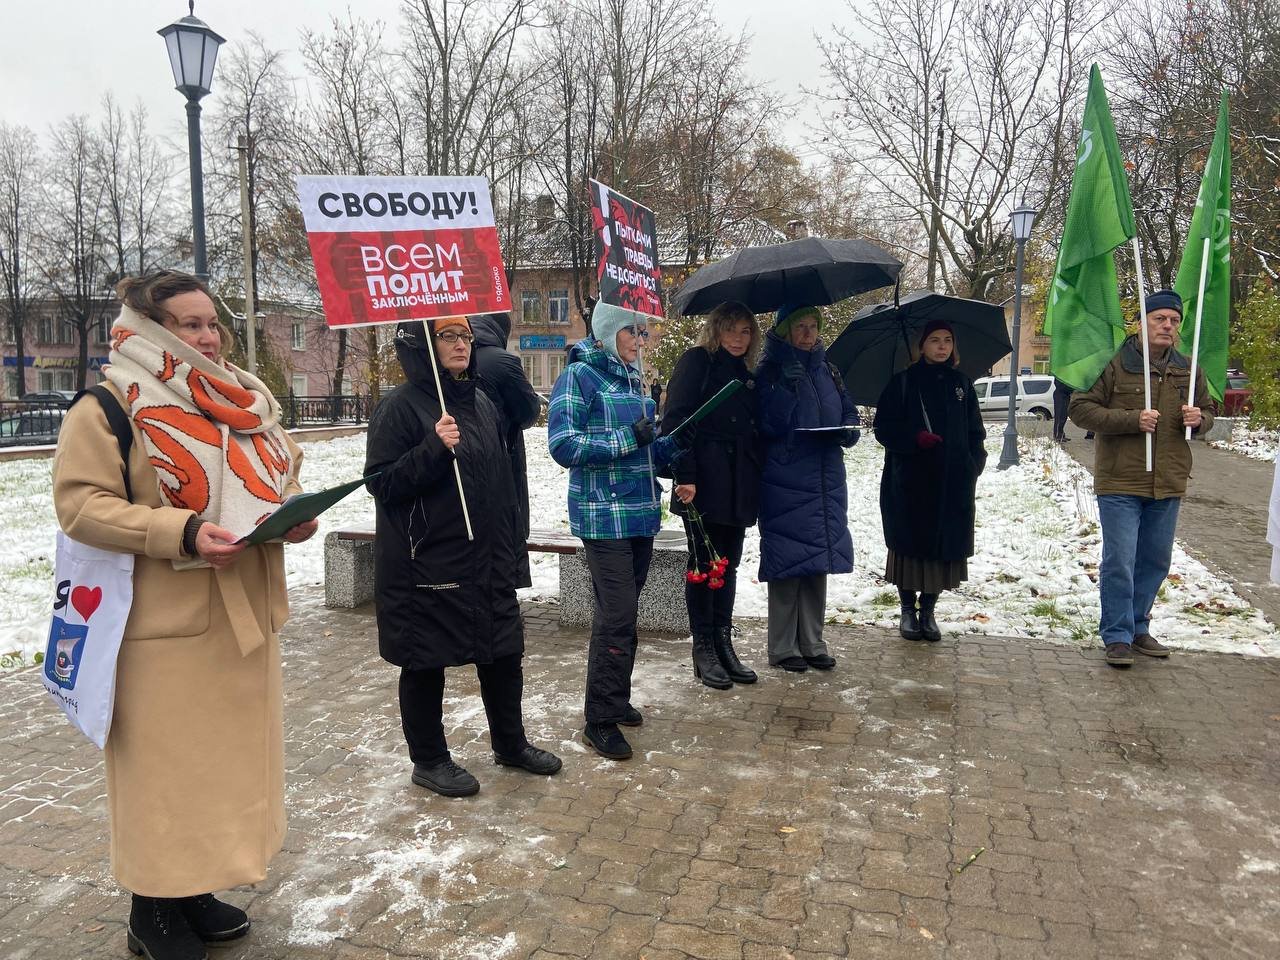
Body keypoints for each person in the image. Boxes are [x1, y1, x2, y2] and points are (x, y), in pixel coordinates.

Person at [52, 270, 317, 960]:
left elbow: (274, 478)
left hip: (244, 620)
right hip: (160, 631)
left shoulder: (241, 402)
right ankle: (152, 910)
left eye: (211, 323)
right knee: (163, 776)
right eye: (188, 324)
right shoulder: (110, 406)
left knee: (218, 772)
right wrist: (182, 530)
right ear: (146, 329)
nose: (206, 336)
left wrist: (291, 516)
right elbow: (80, 506)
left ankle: (194, 887)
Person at [365, 317, 561, 797]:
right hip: (426, 562)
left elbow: (500, 478)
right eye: (448, 336)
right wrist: (433, 448)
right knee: (425, 660)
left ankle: (510, 744)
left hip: (487, 556)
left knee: (503, 652)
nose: (461, 344)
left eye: (466, 336)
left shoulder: (483, 404)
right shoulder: (399, 408)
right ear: (423, 345)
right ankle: (429, 759)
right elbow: (382, 484)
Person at [548, 301, 683, 760]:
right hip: (602, 516)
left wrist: (674, 446)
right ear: (607, 332)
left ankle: (616, 697)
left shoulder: (635, 379)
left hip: (641, 515)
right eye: (632, 331)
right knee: (617, 614)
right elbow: (563, 444)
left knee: (626, 613)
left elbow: (647, 451)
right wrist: (632, 438)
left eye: (643, 333)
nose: (640, 340)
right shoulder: (580, 375)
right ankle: (599, 719)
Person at [1068, 289, 1217, 667]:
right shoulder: (1113, 362)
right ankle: (1116, 634)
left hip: (1168, 480)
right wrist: (1132, 419)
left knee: (1155, 560)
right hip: (1121, 480)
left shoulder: (1189, 365)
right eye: (1159, 319)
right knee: (1119, 560)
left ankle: (1138, 626)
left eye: (1174, 320)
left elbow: (1209, 411)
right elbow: (1080, 410)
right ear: (1142, 322)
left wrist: (1199, 420)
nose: (1167, 325)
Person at [659, 301, 764, 689]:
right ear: (716, 330)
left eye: (746, 331)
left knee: (729, 564)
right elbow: (676, 423)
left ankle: (723, 641)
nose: (738, 339)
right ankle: (702, 646)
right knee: (705, 564)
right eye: (731, 329)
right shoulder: (696, 362)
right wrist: (684, 475)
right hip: (702, 479)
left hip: (739, 481)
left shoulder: (748, 374)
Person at [755, 303, 860, 672]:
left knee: (818, 560)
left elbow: (848, 409)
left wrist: (849, 429)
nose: (807, 333)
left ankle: (813, 642)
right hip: (786, 478)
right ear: (784, 331)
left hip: (826, 477)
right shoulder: (768, 370)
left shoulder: (829, 369)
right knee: (787, 562)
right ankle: (783, 647)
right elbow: (765, 424)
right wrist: (784, 387)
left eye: (812, 326)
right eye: (799, 326)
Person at [873, 319, 987, 642]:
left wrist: (972, 464)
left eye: (947, 340)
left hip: (952, 485)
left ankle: (929, 610)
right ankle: (908, 609)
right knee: (909, 549)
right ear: (921, 346)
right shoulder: (904, 383)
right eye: (934, 340)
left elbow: (975, 432)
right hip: (910, 485)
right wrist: (914, 439)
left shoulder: (962, 385)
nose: (941, 346)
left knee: (942, 550)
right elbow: (883, 428)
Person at [470, 312, 543, 588]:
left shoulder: (446, 359)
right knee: (505, 532)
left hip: (460, 457)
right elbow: (528, 413)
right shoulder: (504, 361)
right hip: (502, 455)